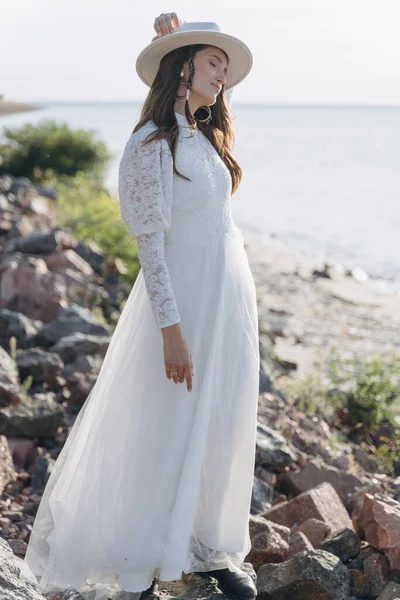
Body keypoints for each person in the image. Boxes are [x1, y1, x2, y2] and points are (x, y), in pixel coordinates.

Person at [21, 13, 260, 600]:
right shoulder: (148, 145)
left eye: (225, 68)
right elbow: (151, 244)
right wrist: (170, 330)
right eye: (212, 63)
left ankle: (205, 546)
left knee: (221, 421)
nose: (222, 76)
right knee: (166, 424)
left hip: (225, 303)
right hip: (183, 304)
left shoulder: (204, 139)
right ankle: (142, 562)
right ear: (183, 69)